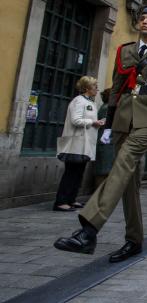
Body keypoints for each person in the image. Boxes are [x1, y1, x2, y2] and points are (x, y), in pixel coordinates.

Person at [54, 6, 147, 262]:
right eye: (143, 18)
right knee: (129, 183)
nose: (144, 21)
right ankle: (134, 240)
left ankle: (89, 230)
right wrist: (110, 123)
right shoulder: (125, 50)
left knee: (122, 164)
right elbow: (117, 89)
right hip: (124, 119)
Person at [54, 76, 105, 212]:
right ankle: (61, 202)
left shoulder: (90, 102)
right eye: (95, 86)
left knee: (78, 173)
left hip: (85, 143)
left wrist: (97, 123)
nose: (97, 89)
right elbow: (76, 120)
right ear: (87, 88)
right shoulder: (79, 101)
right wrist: (93, 122)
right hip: (76, 142)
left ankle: (71, 199)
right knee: (71, 173)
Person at [94, 88, 115, 189]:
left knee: (105, 169)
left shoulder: (106, 107)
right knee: (103, 170)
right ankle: (99, 194)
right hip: (105, 142)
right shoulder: (107, 108)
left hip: (107, 142)